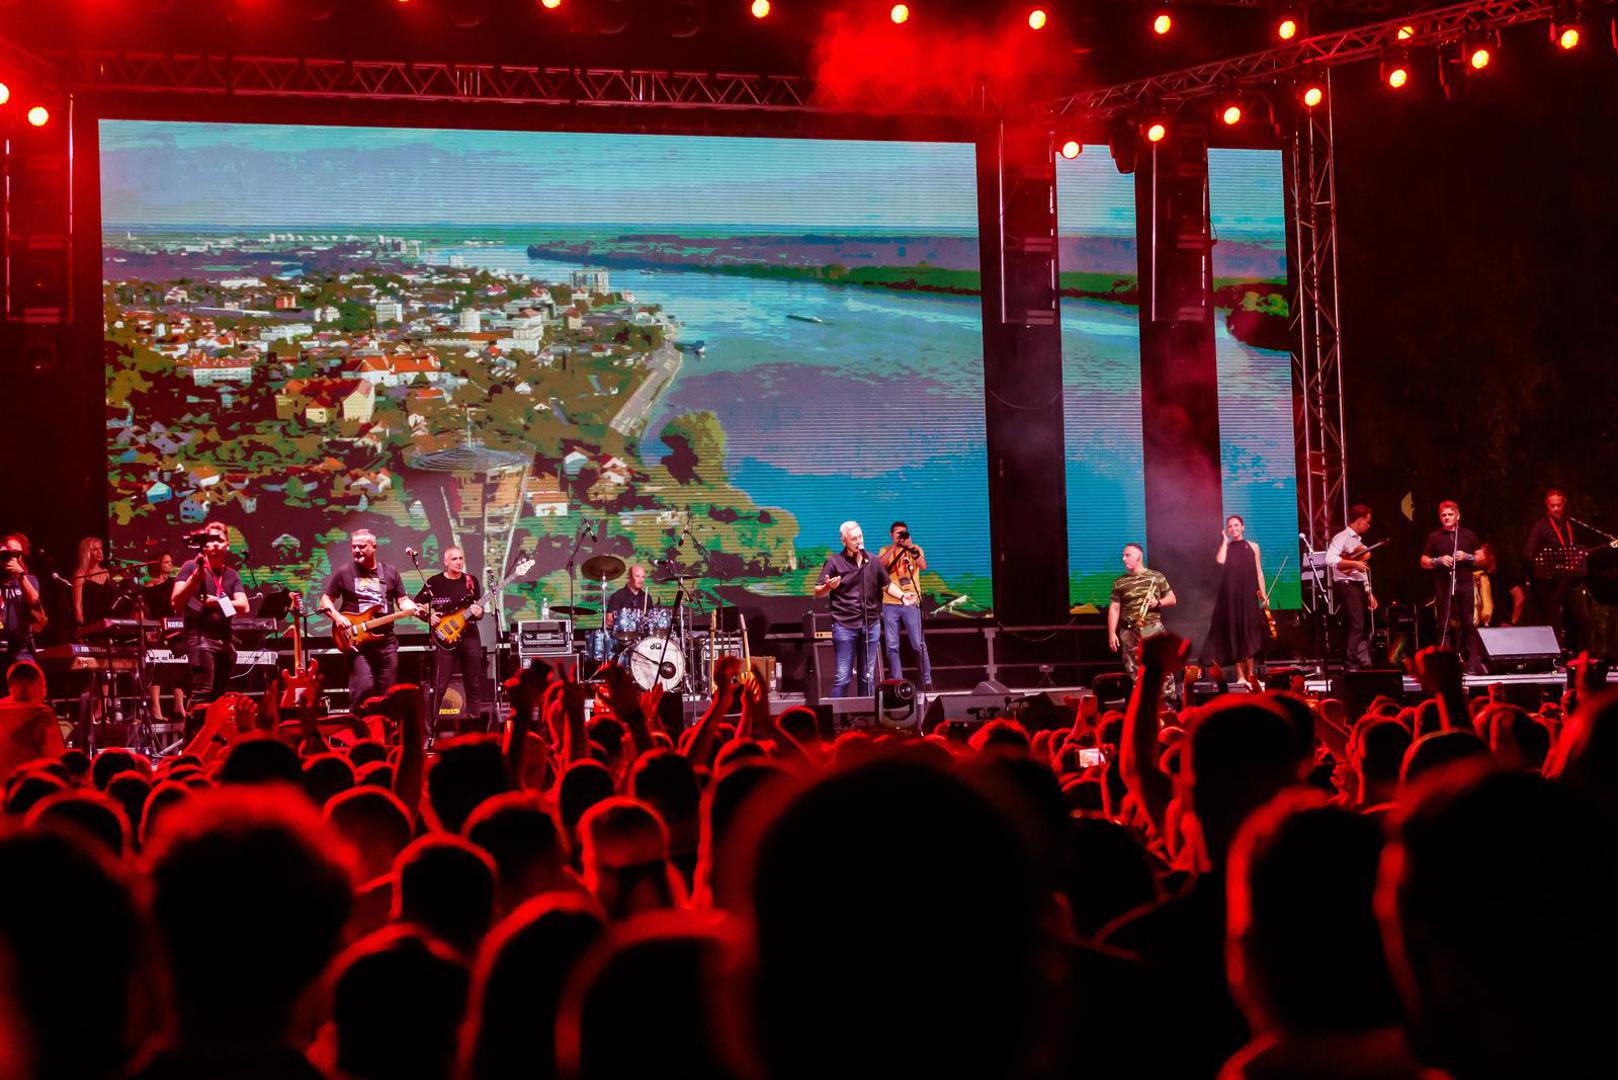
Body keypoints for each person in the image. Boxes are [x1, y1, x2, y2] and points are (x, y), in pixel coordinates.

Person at [321, 529, 416, 710]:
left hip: (386, 643)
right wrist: (337, 616)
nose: (357, 550)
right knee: (362, 690)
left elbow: (402, 600)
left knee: (388, 697)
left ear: (374, 547)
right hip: (358, 644)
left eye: (362, 546)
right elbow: (325, 600)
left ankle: (384, 735)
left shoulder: (390, 572)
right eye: (354, 547)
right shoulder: (344, 572)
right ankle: (358, 734)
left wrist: (412, 608)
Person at [170, 522, 249, 707]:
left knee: (219, 696)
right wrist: (192, 581)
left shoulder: (231, 575)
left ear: (227, 544)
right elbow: (176, 602)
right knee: (202, 693)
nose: (214, 544)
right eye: (210, 540)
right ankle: (193, 734)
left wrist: (218, 602)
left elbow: (244, 606)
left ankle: (213, 734)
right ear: (204, 545)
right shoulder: (190, 567)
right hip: (200, 639)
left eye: (219, 540)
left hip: (225, 640)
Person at [812, 521, 889, 698]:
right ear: (844, 541)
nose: (858, 541)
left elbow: (887, 585)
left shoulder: (873, 560)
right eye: (853, 538)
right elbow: (818, 591)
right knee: (843, 676)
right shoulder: (834, 562)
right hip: (844, 625)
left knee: (867, 676)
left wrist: (903, 596)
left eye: (860, 537)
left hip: (871, 624)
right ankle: (838, 720)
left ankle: (866, 718)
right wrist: (828, 587)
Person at [415, 546, 488, 733]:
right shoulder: (435, 582)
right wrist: (427, 616)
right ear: (445, 562)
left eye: (461, 558)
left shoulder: (471, 581)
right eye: (454, 559)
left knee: (474, 682)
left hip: (470, 636)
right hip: (444, 637)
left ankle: (474, 727)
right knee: (439, 686)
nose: (458, 562)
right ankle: (430, 732)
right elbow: (415, 605)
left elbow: (477, 609)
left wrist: (479, 613)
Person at [1522, 487, 1595, 653]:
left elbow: (1580, 549)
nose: (1555, 509)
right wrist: (1543, 569)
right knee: (1552, 623)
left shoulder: (1572, 524)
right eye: (1552, 505)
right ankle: (1553, 658)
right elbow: (1527, 553)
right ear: (1546, 505)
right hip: (1551, 584)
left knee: (1582, 619)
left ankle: (1582, 657)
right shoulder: (1540, 526)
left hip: (1571, 580)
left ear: (1564, 504)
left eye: (1559, 505)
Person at [1204, 515, 1268, 691]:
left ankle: (1251, 675)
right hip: (1230, 599)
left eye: (1236, 525)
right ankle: (1240, 676)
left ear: (1243, 527)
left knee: (1250, 635)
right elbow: (1220, 560)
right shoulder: (1228, 547)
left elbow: (1259, 572)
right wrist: (1224, 541)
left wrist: (1263, 594)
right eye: (1230, 527)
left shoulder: (1253, 546)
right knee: (1235, 635)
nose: (1233, 529)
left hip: (1249, 597)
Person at [1419, 501, 1484, 673]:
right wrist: (1437, 560)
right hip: (1443, 584)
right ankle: (1445, 664)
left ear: (1457, 516)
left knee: (1468, 623)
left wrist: (1467, 556)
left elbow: (1482, 557)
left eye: (1450, 514)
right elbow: (1423, 561)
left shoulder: (1468, 535)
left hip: (1465, 582)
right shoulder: (1434, 537)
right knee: (1444, 623)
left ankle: (1472, 663)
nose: (1447, 518)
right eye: (1443, 515)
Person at [1107, 542, 1176, 684]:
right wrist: (1112, 633)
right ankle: (1142, 701)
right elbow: (1114, 608)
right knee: (1134, 669)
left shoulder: (1156, 577)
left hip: (1151, 627)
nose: (1124, 559)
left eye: (1128, 555)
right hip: (1129, 630)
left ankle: (1168, 703)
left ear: (1139, 557)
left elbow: (1172, 599)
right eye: (1123, 556)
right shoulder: (1120, 582)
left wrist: (1158, 603)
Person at [879, 521, 934, 692]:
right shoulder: (885, 550)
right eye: (898, 534)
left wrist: (909, 546)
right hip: (890, 603)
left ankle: (927, 681)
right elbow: (880, 566)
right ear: (891, 535)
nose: (901, 536)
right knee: (892, 645)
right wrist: (894, 547)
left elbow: (924, 566)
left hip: (911, 603)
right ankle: (897, 681)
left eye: (904, 533)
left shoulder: (915, 549)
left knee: (918, 644)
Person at [1326, 504, 1379, 669]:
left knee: (1361, 624)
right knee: (1356, 624)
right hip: (1346, 584)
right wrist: (1354, 564)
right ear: (1359, 520)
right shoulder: (1341, 537)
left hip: (1357, 585)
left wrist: (1369, 592)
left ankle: (1364, 661)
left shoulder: (1359, 542)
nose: (1368, 526)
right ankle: (1350, 663)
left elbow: (1362, 571)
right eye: (1367, 522)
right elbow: (1330, 559)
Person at [0, 660, 66, 779]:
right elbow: (57, 760)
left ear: (10, 687)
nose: (44, 693)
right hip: (33, 787)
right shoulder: (42, 713)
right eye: (43, 686)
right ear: (35, 685)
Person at [1, 534, 46, 670]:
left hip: (20, 650)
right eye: (7, 554)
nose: (13, 559)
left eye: (17, 554)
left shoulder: (29, 580)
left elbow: (33, 599)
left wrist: (21, 576)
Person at [72, 536, 113, 632]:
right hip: (91, 622)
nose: (99, 552)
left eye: (100, 549)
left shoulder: (106, 572)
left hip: (107, 621)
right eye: (95, 549)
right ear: (87, 553)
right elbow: (78, 604)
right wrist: (81, 627)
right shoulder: (80, 574)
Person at [1472, 542, 1497, 628]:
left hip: (1498, 624)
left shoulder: (1502, 576)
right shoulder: (1476, 576)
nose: (1476, 558)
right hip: (1480, 625)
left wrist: (1511, 622)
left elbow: (1519, 596)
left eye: (1482, 554)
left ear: (1491, 556)